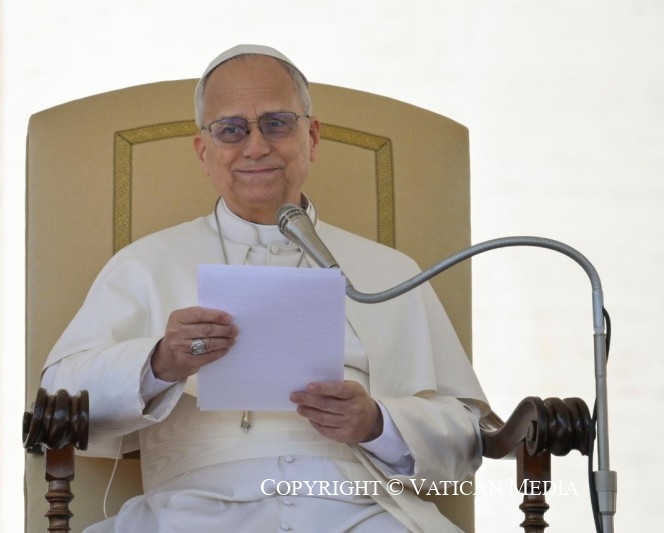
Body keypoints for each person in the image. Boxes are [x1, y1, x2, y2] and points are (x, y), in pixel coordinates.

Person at [41, 44, 489, 532]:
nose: (255, 146)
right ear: (203, 152)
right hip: (191, 509)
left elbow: (466, 441)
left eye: (276, 123)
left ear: (312, 137)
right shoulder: (145, 264)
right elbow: (54, 406)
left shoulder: (389, 271)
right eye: (231, 129)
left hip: (360, 508)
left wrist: (378, 422)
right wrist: (159, 363)